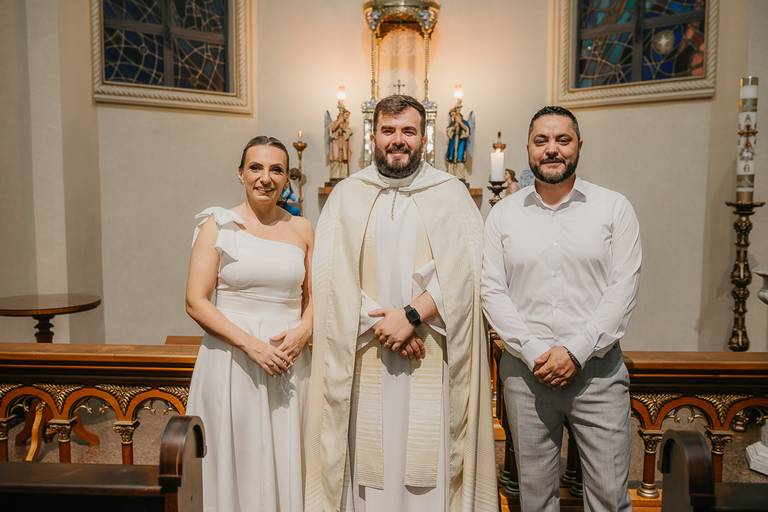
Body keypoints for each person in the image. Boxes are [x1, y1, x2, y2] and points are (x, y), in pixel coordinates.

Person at [305, 95, 497, 512]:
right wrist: (384, 326)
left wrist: (413, 316)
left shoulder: (451, 193)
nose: (398, 140)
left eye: (408, 131)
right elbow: (330, 276)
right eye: (388, 131)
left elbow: (469, 271)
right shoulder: (347, 195)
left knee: (430, 459)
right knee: (365, 462)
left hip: (433, 350)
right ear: (372, 136)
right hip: (365, 350)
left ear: (424, 138)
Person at [481, 106, 641, 512]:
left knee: (609, 498)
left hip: (598, 374)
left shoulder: (614, 208)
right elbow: (492, 290)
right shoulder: (502, 215)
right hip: (526, 374)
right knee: (535, 500)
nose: (552, 149)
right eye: (542, 141)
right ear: (528, 149)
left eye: (562, 140)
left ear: (579, 145)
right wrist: (536, 351)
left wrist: (575, 352)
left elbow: (623, 288)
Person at [185, 136, 314, 512]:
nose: (265, 178)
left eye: (276, 170)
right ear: (239, 173)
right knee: (237, 455)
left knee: (287, 455)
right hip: (232, 361)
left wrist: (304, 331)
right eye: (255, 167)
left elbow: (316, 297)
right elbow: (195, 301)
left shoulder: (303, 229)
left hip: (289, 363)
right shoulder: (218, 225)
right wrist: (253, 346)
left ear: (287, 178)